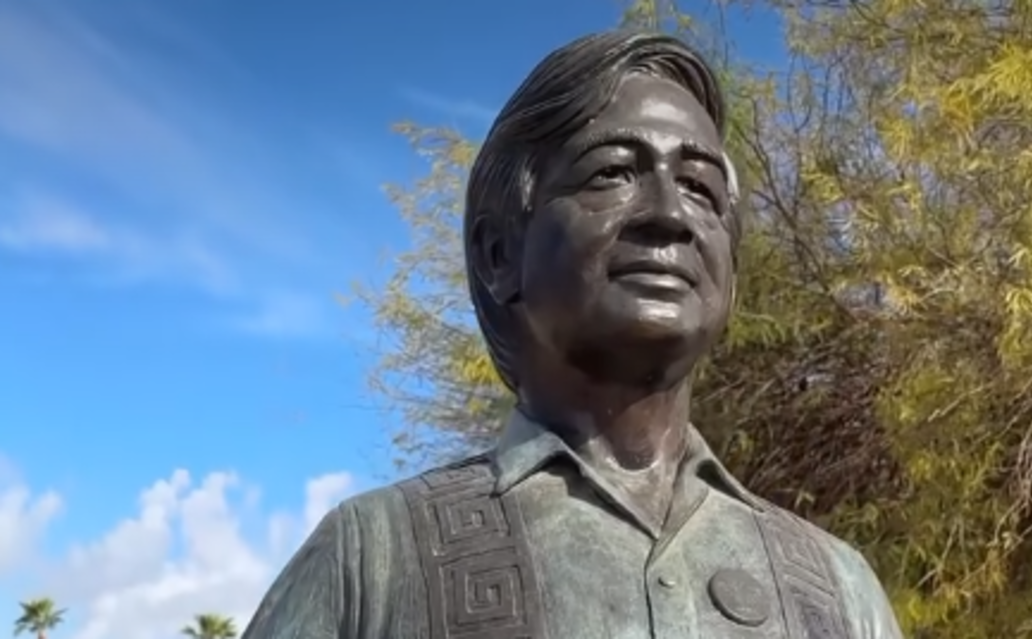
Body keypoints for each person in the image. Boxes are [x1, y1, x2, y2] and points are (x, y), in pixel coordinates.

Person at [242, 30, 903, 639]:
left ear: (729, 278)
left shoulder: (842, 591)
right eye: (612, 172)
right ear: (500, 252)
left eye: (701, 187)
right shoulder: (373, 560)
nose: (670, 215)